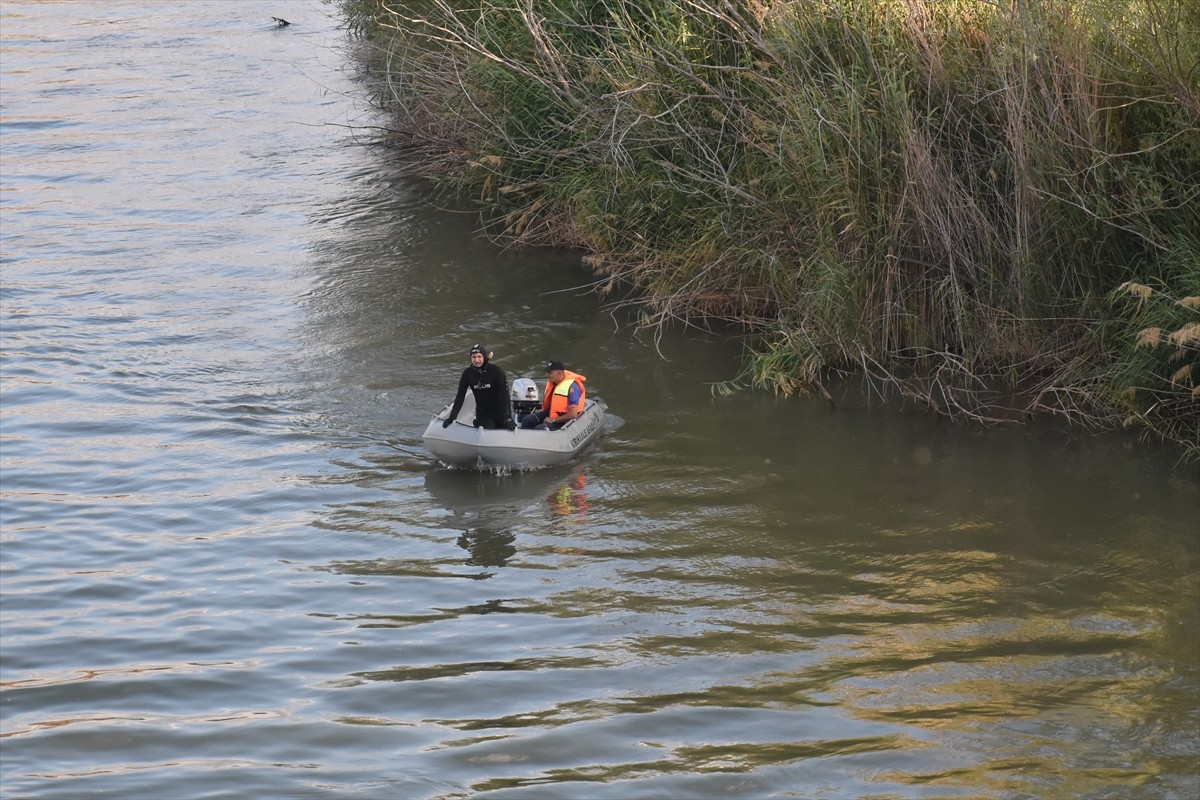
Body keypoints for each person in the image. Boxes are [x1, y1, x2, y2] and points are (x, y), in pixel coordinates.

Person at [444, 344, 516, 430]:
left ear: (484, 357)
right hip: (483, 414)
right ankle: (478, 422)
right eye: (474, 357)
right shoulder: (467, 374)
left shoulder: (497, 372)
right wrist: (452, 417)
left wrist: (508, 416)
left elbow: (505, 395)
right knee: (489, 432)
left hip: (501, 413)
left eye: (479, 356)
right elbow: (460, 396)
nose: (476, 360)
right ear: (470, 358)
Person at [520, 360, 586, 430]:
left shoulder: (572, 387)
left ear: (559, 373)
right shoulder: (553, 383)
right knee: (527, 421)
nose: (547, 375)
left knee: (540, 429)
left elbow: (573, 414)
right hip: (553, 413)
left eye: (550, 373)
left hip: (565, 419)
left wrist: (554, 420)